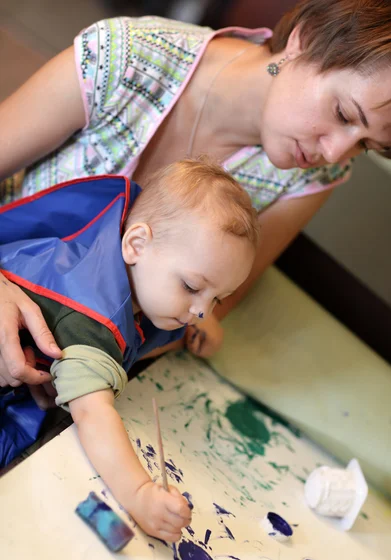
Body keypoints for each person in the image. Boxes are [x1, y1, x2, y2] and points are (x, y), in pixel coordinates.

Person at [0, 0, 391, 389]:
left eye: (365, 146)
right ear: (304, 40)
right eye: (344, 114)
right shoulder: (126, 57)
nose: (334, 153)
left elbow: (211, 308)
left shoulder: (319, 172)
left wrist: (90, 356)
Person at [0, 158, 259, 540]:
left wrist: (195, 321)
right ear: (136, 244)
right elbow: (92, 414)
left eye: (218, 297)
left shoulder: (118, 254)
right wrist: (140, 495)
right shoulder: (90, 320)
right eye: (191, 287)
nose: (203, 310)